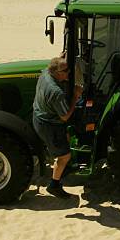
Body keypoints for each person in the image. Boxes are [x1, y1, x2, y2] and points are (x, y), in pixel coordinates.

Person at [33, 57, 83, 198]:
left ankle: (66, 166)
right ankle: (54, 185)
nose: (69, 73)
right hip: (48, 125)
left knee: (66, 138)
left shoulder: (45, 73)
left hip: (39, 115)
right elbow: (65, 117)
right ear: (56, 71)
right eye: (66, 70)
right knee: (63, 155)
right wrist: (75, 96)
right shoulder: (56, 93)